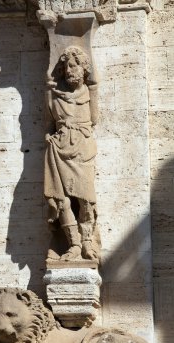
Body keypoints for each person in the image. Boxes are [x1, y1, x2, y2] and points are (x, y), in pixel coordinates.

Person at [44, 45, 101, 261]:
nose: (69, 70)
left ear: (84, 68)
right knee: (62, 200)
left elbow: (93, 119)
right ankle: (74, 244)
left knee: (86, 199)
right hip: (59, 150)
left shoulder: (90, 92)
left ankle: (87, 241)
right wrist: (49, 136)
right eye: (66, 66)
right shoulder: (53, 95)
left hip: (82, 148)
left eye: (74, 65)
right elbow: (48, 125)